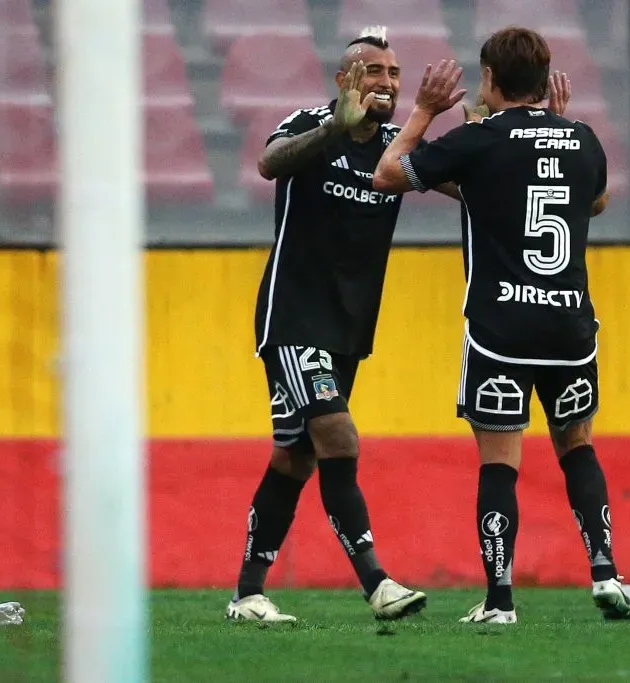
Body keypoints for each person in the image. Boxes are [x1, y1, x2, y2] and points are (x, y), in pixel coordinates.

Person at [373, 26, 630, 624]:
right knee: (577, 446)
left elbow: (388, 173)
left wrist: (422, 112)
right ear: (546, 82)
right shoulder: (585, 140)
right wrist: (559, 134)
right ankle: (605, 572)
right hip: (570, 327)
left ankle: (499, 600)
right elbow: (592, 201)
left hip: (501, 327)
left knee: (500, 462)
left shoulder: (477, 140)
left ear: (489, 80)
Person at [225, 26, 435, 624]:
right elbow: (269, 162)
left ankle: (247, 594)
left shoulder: (398, 146)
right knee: (338, 437)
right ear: (345, 79)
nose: (387, 82)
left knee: (295, 456)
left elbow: (457, 180)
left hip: (348, 326)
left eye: (394, 73)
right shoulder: (309, 122)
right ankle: (377, 584)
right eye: (374, 71)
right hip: (294, 316)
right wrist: (335, 129)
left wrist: (498, 136)